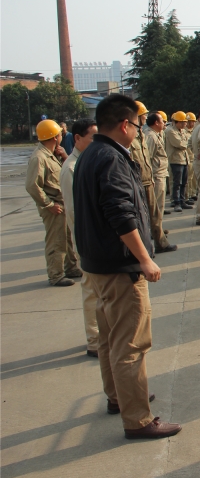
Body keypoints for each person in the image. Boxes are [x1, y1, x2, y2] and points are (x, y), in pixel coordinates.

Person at [73, 94, 181, 440]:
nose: (138, 131)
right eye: (136, 124)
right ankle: (138, 419)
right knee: (130, 345)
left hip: (99, 264)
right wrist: (144, 258)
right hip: (120, 268)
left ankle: (118, 397)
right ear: (125, 125)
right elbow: (120, 213)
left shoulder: (91, 153)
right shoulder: (112, 159)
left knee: (109, 339)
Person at [60, 118, 101, 356]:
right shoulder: (71, 168)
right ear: (77, 138)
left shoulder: (85, 161)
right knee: (89, 290)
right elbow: (74, 210)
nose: (96, 142)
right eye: (91, 137)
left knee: (97, 290)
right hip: (85, 237)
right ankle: (94, 340)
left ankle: (99, 335)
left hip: (92, 236)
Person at [25, 119, 81, 286]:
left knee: (67, 238)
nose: (61, 136)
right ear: (55, 136)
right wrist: (48, 205)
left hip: (60, 203)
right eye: (59, 134)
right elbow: (32, 185)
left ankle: (70, 267)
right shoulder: (39, 157)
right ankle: (55, 275)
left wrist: (63, 156)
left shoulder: (51, 154)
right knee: (56, 241)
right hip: (52, 206)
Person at [130, 102, 171, 252]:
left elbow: (146, 158)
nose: (145, 117)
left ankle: (160, 241)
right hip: (143, 180)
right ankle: (153, 243)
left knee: (154, 213)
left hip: (149, 179)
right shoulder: (143, 136)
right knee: (146, 215)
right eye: (143, 115)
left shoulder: (141, 134)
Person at [143, 113, 177, 253]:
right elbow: (148, 159)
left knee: (158, 207)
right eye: (162, 121)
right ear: (156, 123)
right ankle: (157, 236)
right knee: (156, 208)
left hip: (160, 174)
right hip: (156, 175)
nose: (164, 123)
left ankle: (158, 232)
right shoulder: (150, 136)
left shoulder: (155, 134)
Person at [166, 112, 192, 212]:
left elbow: (187, 142)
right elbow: (180, 144)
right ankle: (176, 202)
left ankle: (182, 200)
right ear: (177, 122)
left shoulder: (183, 131)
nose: (185, 124)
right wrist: (186, 143)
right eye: (183, 122)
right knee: (177, 182)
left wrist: (186, 143)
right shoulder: (170, 131)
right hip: (176, 159)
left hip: (184, 159)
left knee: (184, 182)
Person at [185, 112, 198, 201]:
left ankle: (193, 192)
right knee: (188, 178)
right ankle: (188, 194)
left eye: (194, 121)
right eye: (191, 121)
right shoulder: (184, 132)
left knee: (194, 178)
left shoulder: (194, 131)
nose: (193, 123)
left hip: (194, 157)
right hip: (187, 158)